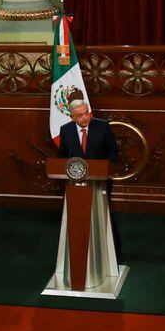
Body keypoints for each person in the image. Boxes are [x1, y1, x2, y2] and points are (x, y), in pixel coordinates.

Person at [58, 98, 121, 259]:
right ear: (72, 117)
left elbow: (113, 153)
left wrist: (103, 167)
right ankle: (79, 254)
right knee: (78, 218)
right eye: (80, 115)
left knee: (105, 216)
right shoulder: (65, 130)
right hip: (75, 184)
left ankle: (112, 255)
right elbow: (63, 157)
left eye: (87, 113)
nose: (85, 117)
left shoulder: (102, 126)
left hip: (100, 182)